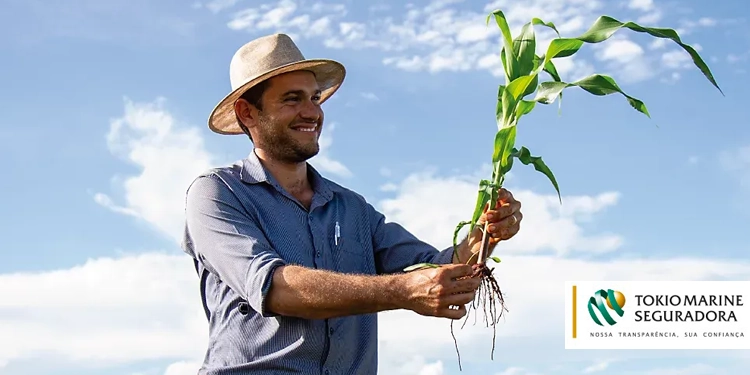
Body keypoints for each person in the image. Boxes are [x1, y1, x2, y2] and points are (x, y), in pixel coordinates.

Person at [181, 33, 523, 375]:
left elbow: (433, 271)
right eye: (291, 99)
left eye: (315, 98)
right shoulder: (218, 193)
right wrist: (402, 291)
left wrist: (481, 238)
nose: (312, 112)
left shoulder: (352, 208)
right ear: (248, 113)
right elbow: (275, 289)